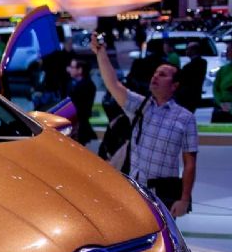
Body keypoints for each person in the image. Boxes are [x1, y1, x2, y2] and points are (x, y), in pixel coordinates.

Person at [91, 32, 197, 218]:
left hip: (163, 194)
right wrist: (101, 53)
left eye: (162, 75)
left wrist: (184, 199)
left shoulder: (185, 118)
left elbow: (190, 164)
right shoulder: (141, 106)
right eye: (155, 73)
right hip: (134, 191)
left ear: (174, 85)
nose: (155, 77)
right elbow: (113, 83)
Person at [66, 58, 97, 145]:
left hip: (80, 124)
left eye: (72, 67)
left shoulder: (88, 86)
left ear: (80, 70)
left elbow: (80, 106)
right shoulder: (71, 83)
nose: (69, 69)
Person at [175, 42, 207, 113]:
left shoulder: (190, 66)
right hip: (194, 96)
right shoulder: (202, 63)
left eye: (187, 49)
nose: (186, 51)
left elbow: (183, 80)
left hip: (187, 97)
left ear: (193, 51)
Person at [211, 42, 232, 123]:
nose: (227, 53)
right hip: (222, 106)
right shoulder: (222, 70)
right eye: (227, 51)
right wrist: (221, 103)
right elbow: (216, 89)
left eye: (229, 51)